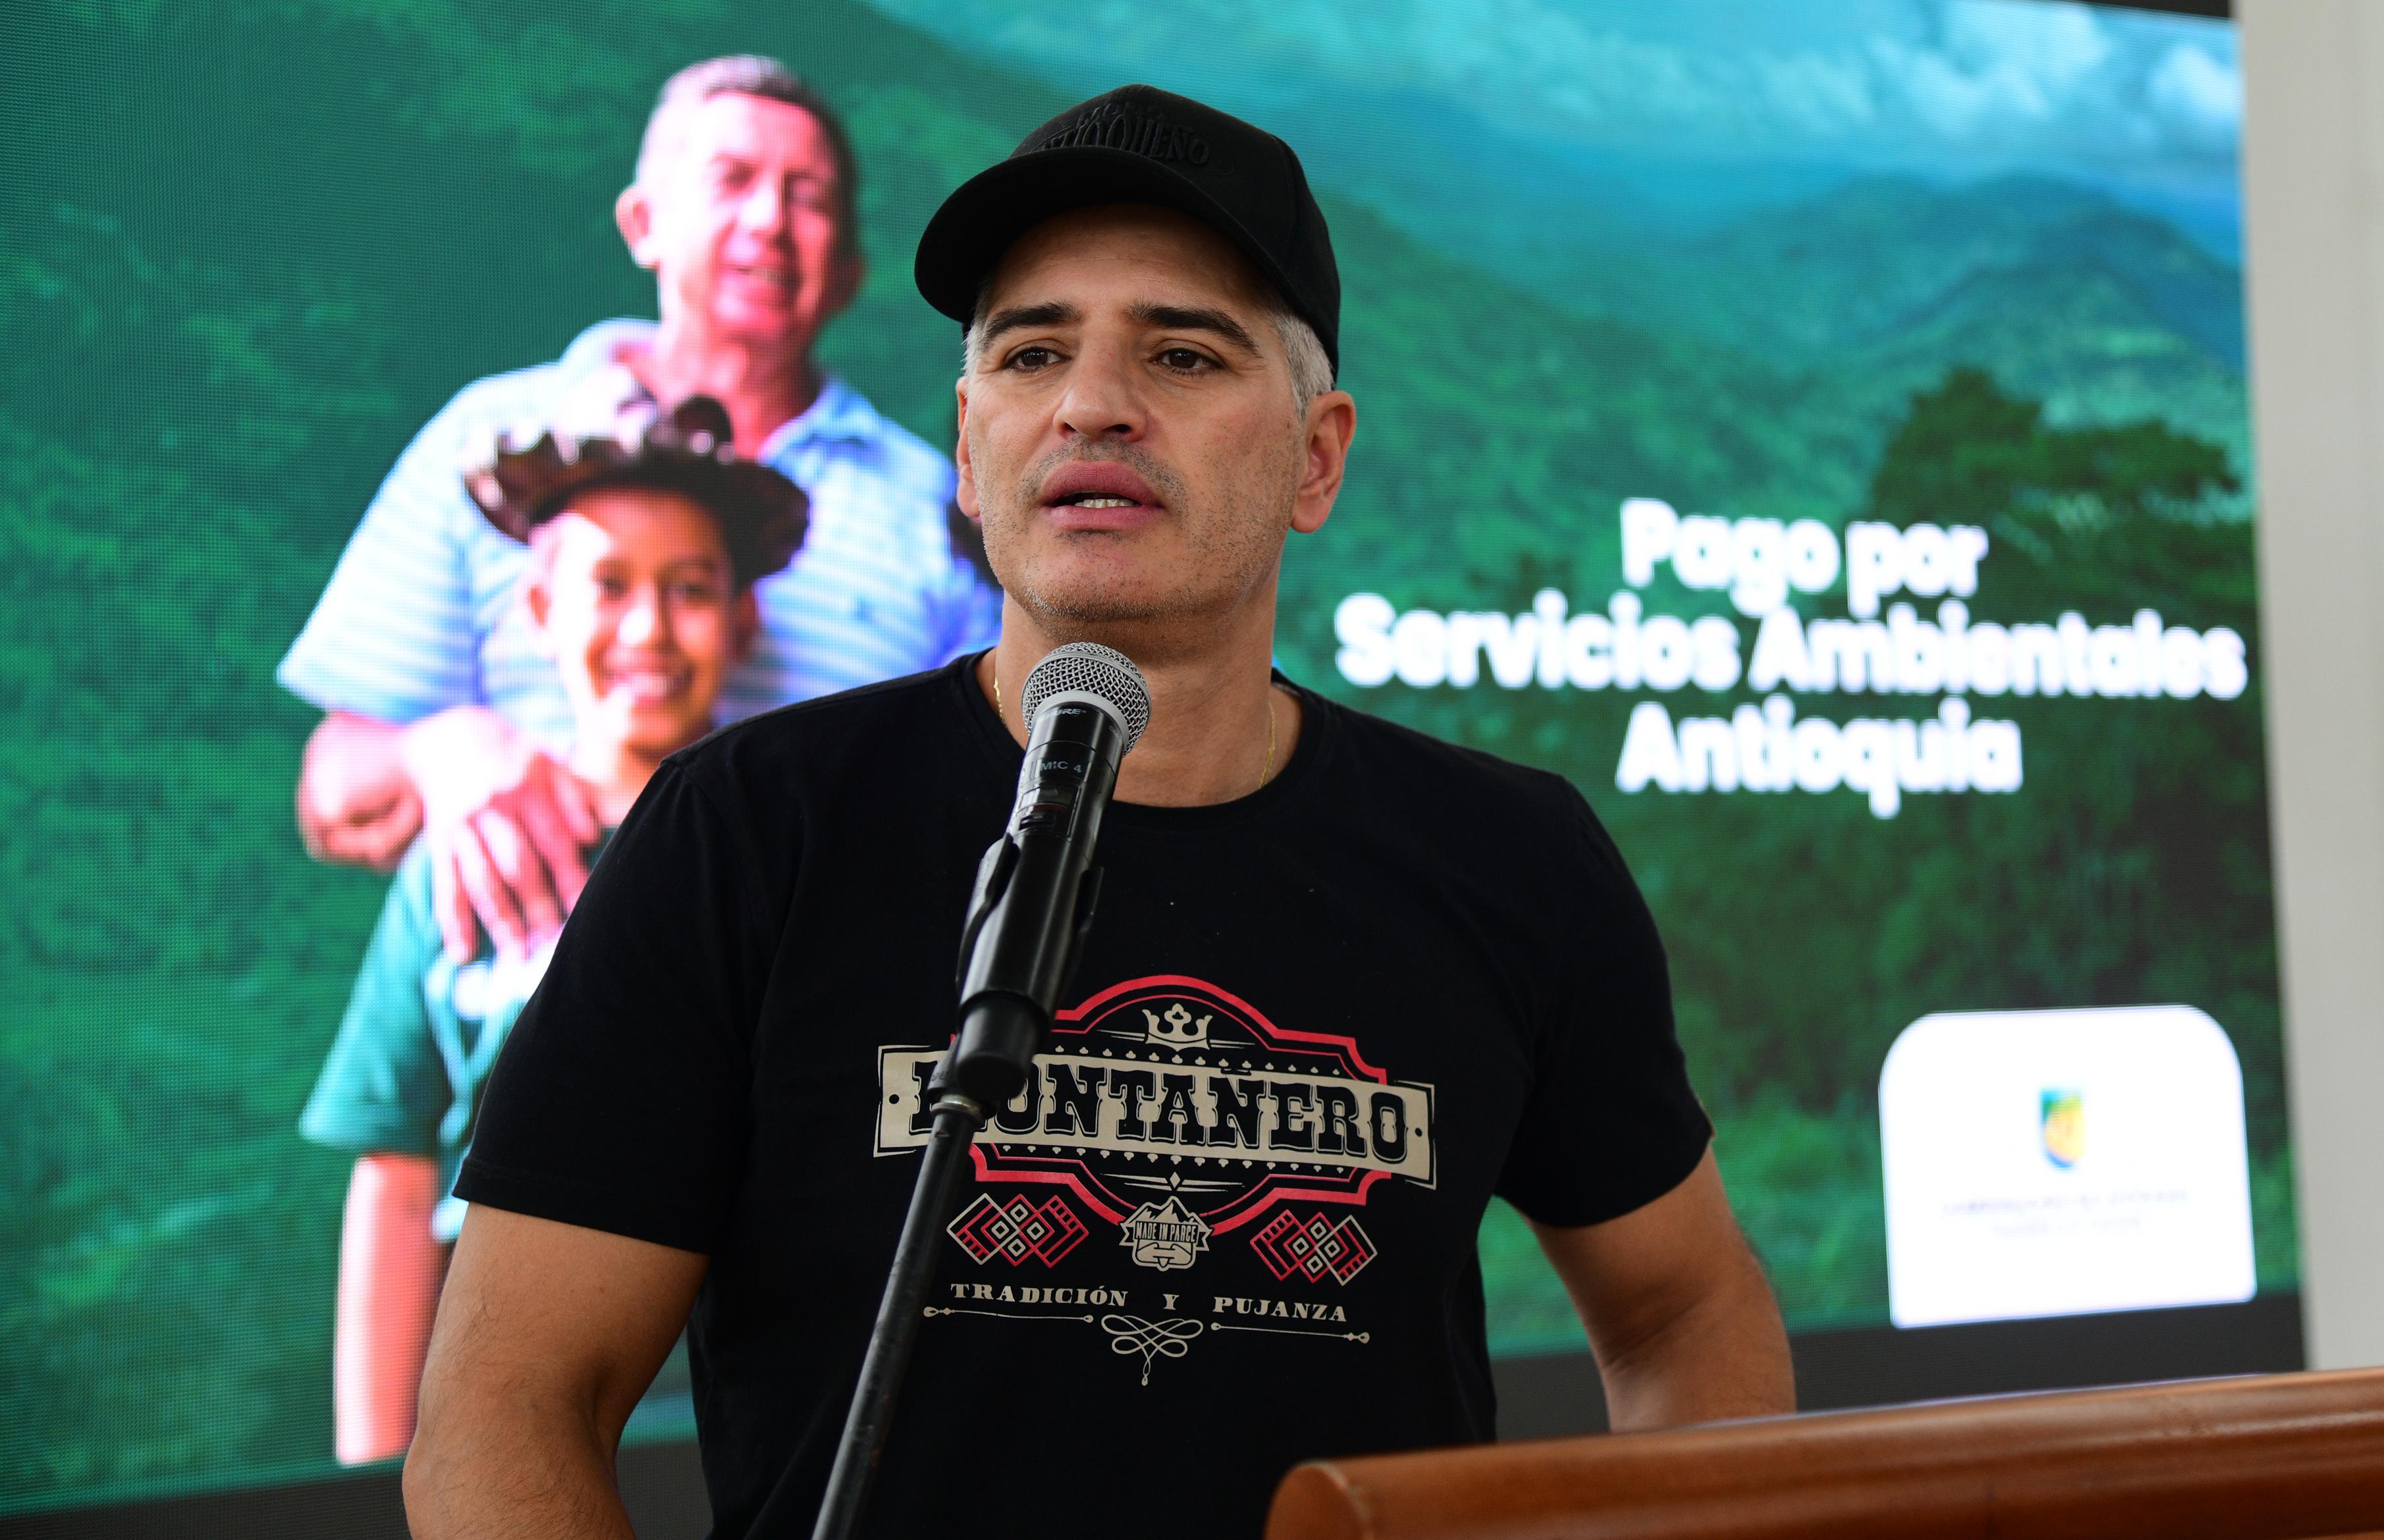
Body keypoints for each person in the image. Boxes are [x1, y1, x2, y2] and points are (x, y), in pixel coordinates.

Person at [405, 86, 1794, 1539]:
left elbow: (1683, 1309)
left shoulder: (1507, 858)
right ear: (966, 439)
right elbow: (510, 1396)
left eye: (1181, 352)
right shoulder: (745, 829)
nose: (1089, 403)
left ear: (1316, 456)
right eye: (1032, 350)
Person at [281, 56, 1000, 966]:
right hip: (514, 1043)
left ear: (852, 269)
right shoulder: (490, 442)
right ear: (643, 222)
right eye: (731, 180)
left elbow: (988, 814)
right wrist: (443, 749)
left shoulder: (940, 509)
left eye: (808, 197)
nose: (770, 221)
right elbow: (334, 790)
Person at [298, 390, 802, 1466]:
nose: (649, 630)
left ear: (744, 616)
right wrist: (376, 1472)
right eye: (608, 585)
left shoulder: (798, 860)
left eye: (692, 589)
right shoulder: (457, 865)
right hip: (496, 1434)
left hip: (741, 1435)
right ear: (537, 609)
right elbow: (394, 1175)